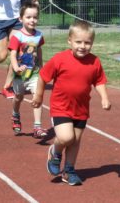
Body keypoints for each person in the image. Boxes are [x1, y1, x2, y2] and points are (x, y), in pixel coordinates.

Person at [31, 20, 111, 185]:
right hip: (61, 107)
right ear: (70, 41)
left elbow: (99, 81)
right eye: (78, 42)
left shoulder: (94, 62)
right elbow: (43, 76)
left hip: (81, 109)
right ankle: (55, 151)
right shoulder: (60, 59)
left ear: (92, 43)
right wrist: (38, 96)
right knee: (66, 137)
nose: (82, 46)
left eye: (87, 42)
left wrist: (104, 97)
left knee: (75, 141)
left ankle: (69, 170)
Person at [8, 1, 47, 138]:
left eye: (35, 17)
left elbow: (39, 51)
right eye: (28, 17)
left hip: (35, 73)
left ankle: (37, 126)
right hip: (20, 74)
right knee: (18, 97)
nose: (32, 20)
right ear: (21, 18)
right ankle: (15, 114)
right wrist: (16, 67)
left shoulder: (39, 35)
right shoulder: (17, 36)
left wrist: (42, 68)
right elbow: (12, 54)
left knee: (38, 96)